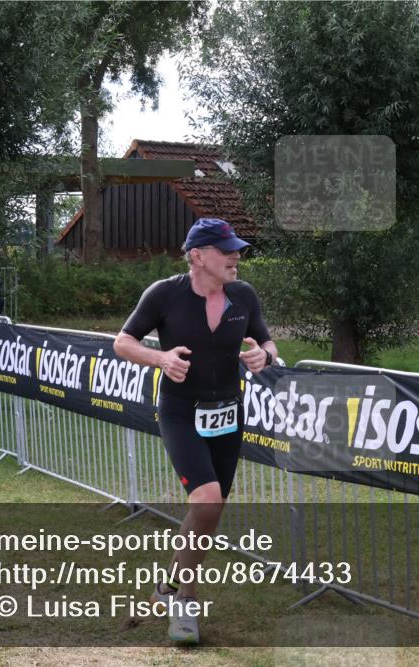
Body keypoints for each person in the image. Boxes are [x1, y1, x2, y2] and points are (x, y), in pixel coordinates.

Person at [113, 218, 278, 643]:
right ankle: (185, 603)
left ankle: (168, 588)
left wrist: (265, 355)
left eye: (237, 249)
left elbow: (267, 341)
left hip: (228, 414)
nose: (236, 256)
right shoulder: (165, 294)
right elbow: (122, 342)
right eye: (227, 250)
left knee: (212, 510)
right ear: (198, 256)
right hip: (181, 413)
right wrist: (160, 358)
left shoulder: (243, 296)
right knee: (205, 501)